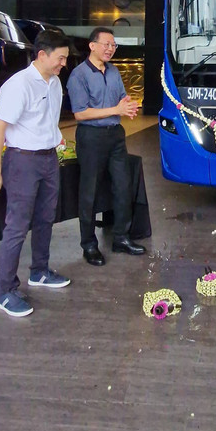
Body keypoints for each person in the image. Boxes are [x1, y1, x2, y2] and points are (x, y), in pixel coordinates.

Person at [0, 29, 72, 318]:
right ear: (42, 55)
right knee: (17, 226)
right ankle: (5, 292)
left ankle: (39, 271)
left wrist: (55, 136)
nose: (63, 64)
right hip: (22, 162)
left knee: (45, 218)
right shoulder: (18, 85)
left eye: (66, 59)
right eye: (60, 58)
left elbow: (47, 118)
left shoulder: (54, 83)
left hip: (47, 160)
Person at [66, 27, 145, 266]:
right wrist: (116, 110)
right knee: (89, 191)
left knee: (123, 186)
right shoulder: (78, 75)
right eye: (106, 44)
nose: (110, 49)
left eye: (113, 45)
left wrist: (127, 106)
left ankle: (121, 237)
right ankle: (89, 245)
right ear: (92, 46)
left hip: (115, 136)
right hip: (91, 138)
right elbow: (80, 113)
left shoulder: (113, 71)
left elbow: (121, 98)